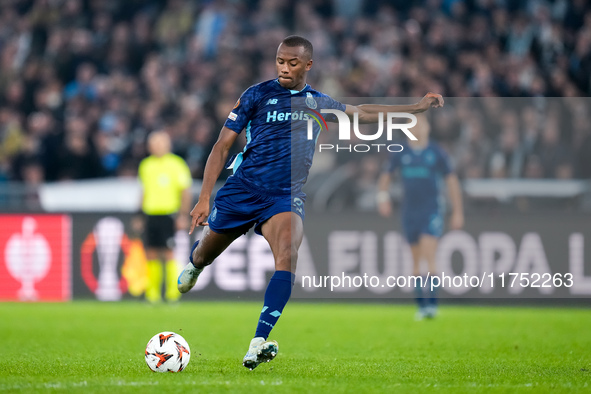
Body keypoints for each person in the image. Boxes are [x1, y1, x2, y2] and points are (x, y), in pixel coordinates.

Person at [177, 35, 444, 369]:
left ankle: (258, 341)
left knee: (288, 254)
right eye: (279, 61)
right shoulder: (256, 95)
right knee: (205, 253)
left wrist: (414, 108)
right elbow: (221, 146)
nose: (284, 68)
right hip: (242, 190)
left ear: (308, 65)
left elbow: (361, 113)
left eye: (292, 63)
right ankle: (196, 265)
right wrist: (204, 198)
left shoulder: (316, 102)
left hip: (285, 197)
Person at [377, 113, 463, 320]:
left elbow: (451, 181)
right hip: (409, 212)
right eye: (412, 125)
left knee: (429, 255)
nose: (416, 128)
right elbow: (385, 177)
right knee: (415, 261)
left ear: (428, 128)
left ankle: (432, 305)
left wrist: (458, 211)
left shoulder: (436, 152)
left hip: (431, 210)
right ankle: (421, 305)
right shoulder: (400, 152)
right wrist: (383, 198)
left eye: (420, 124)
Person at [138, 131, 192, 303]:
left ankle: (172, 294)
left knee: (169, 253)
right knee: (151, 253)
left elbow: (185, 192)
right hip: (150, 214)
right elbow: (143, 192)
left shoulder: (177, 164)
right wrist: (139, 214)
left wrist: (183, 215)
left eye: (160, 143)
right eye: (153, 143)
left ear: (168, 145)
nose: (157, 146)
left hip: (168, 214)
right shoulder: (146, 165)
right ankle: (152, 294)